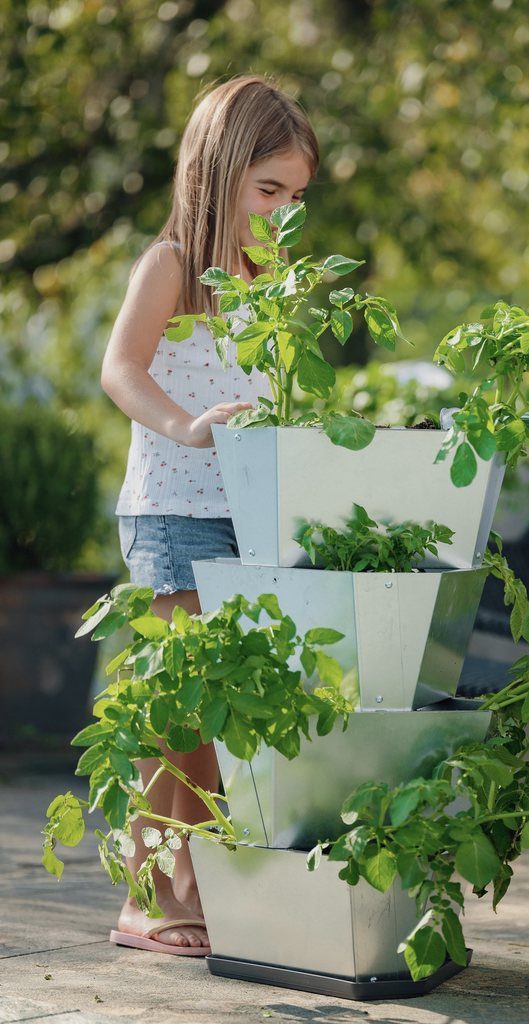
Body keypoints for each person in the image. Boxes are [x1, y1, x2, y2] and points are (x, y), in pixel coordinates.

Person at [100, 75, 318, 953]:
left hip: (247, 522)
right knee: (171, 717)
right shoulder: (175, 267)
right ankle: (144, 896)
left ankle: (198, 884)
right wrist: (186, 428)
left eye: (297, 196)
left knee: (224, 720)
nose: (281, 212)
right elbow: (121, 369)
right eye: (268, 190)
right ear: (217, 170)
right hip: (173, 513)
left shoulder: (272, 284)